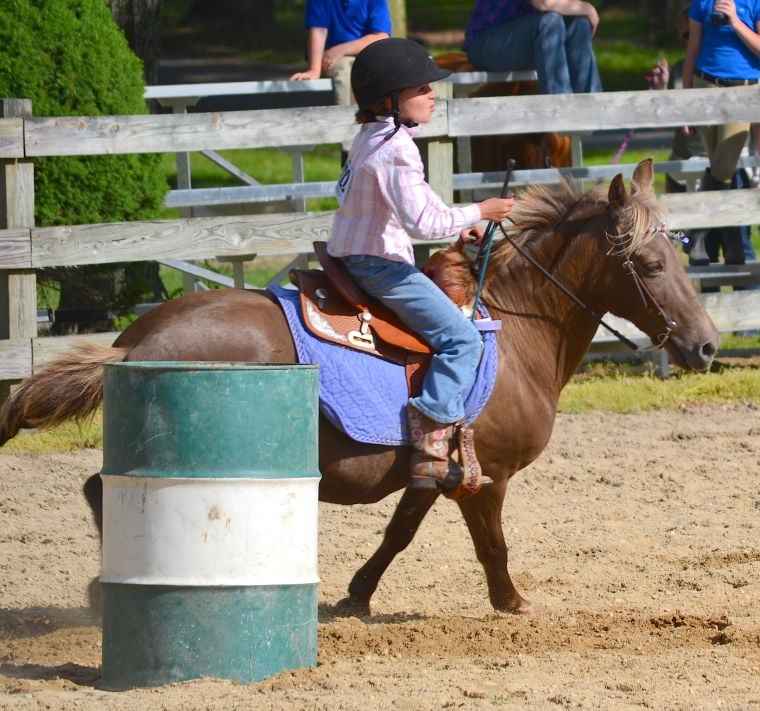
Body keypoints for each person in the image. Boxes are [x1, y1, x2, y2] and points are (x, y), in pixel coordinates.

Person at [327, 38, 515, 496]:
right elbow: (421, 221)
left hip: (355, 254)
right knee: (461, 339)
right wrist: (482, 212)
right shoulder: (396, 148)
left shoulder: (375, 137)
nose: (433, 94)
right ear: (390, 100)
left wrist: (461, 226)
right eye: (422, 88)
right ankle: (431, 450)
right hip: (379, 266)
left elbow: (419, 205)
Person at [681, 0, 760, 265]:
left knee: (724, 166)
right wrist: (685, 104)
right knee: (719, 166)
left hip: (743, 89)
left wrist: (736, 21)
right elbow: (692, 49)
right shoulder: (702, 3)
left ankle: (698, 234)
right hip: (706, 86)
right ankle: (729, 241)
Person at [463, 0, 603, 95]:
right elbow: (544, 3)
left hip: (523, 44)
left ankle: (592, 102)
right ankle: (558, 103)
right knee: (549, 21)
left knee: (579, 23)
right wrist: (589, 9)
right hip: (485, 46)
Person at [288, 0, 391, 107]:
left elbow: (381, 36)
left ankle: (374, 117)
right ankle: (344, 118)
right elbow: (318, 31)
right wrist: (314, 69)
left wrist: (342, 49)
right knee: (344, 69)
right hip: (332, 59)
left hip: (366, 55)